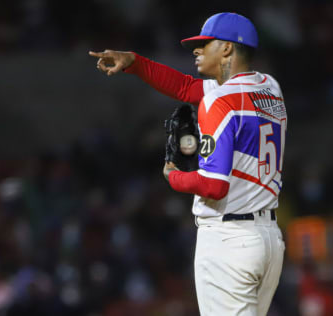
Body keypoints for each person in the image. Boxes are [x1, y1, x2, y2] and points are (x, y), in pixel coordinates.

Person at [89, 12, 287, 316]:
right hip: (268, 241)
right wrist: (136, 62)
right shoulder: (269, 87)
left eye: (205, 43)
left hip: (229, 240)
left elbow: (214, 186)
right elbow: (184, 88)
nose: (196, 50)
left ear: (227, 48)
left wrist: (174, 176)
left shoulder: (219, 101)